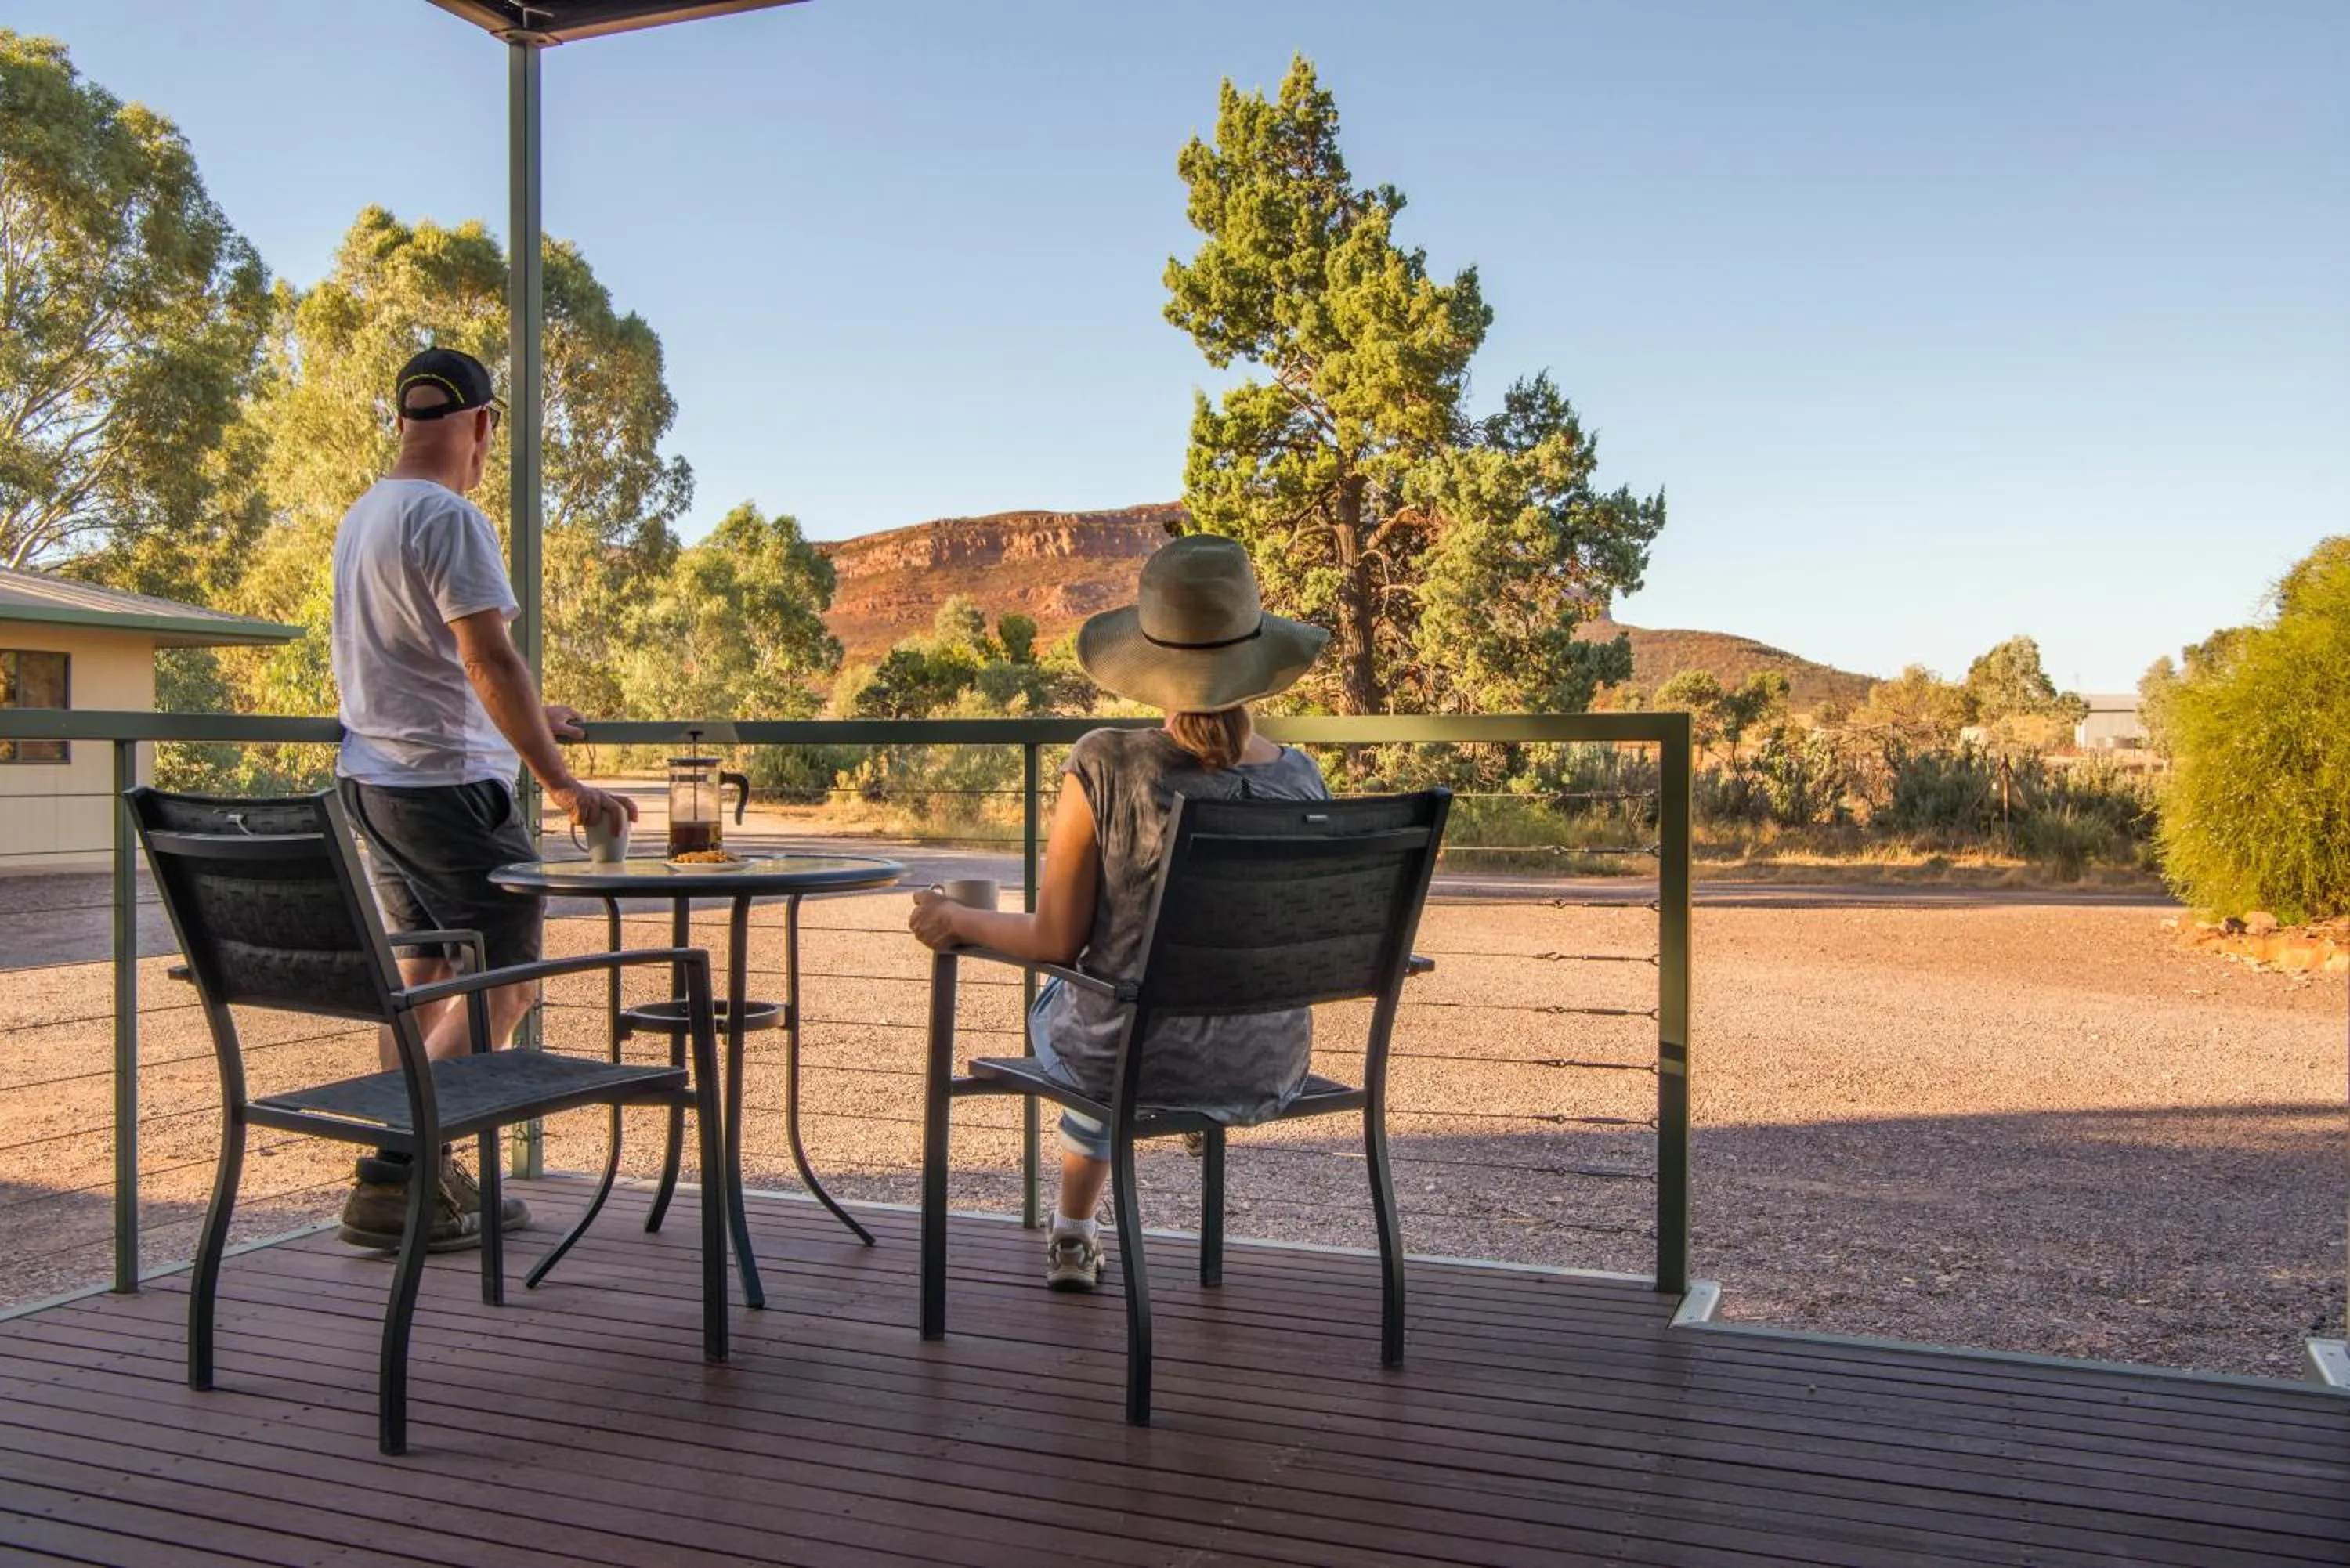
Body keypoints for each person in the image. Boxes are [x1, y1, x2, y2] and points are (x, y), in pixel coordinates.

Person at [908, 535, 1330, 1292]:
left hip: (1133, 1051)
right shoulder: (1301, 779)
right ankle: (1199, 1114)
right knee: (1127, 1001)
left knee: (1091, 1004)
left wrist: (955, 920)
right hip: (1265, 1058)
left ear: (1151, 660)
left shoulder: (1104, 762)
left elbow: (1054, 938)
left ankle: (1072, 1230)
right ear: (1254, 662)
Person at [330, 346, 635, 1252]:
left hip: (374, 785)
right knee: (507, 977)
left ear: (403, 421)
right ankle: (400, 1170)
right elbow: (483, 654)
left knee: (426, 980)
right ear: (482, 425)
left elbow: (418, 661)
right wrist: (560, 781)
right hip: (449, 789)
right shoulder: (450, 517)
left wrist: (533, 712)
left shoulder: (364, 517)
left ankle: (424, 1180)